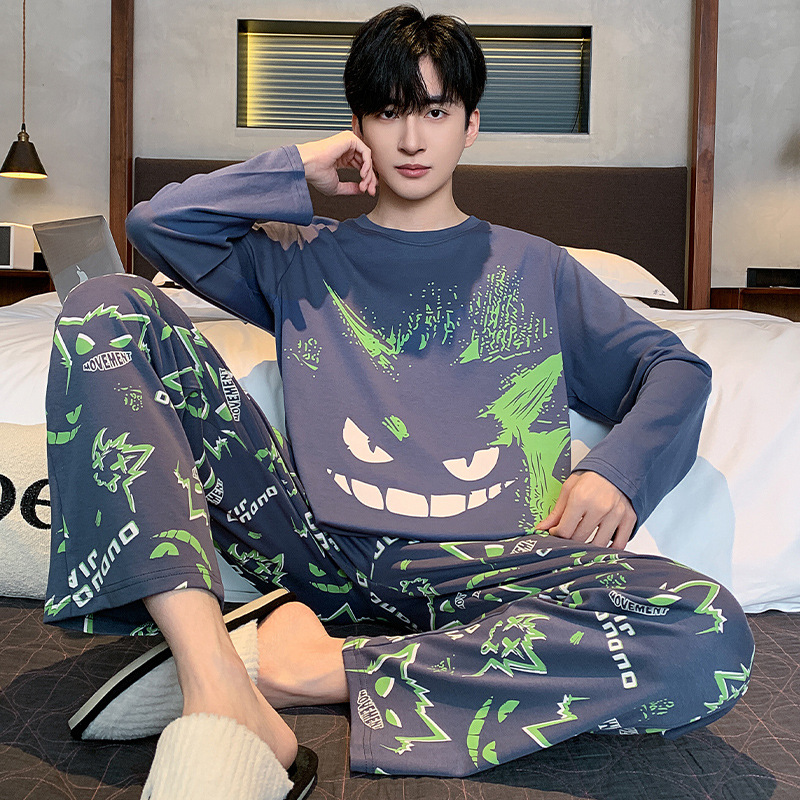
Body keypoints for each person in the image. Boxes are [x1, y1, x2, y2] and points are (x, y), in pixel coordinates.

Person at [44, 5, 754, 798]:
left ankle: (302, 667)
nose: (412, 139)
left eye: (436, 112)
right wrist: (299, 170)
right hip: (311, 544)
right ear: (358, 128)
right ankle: (212, 673)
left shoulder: (538, 269)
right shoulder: (302, 258)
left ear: (471, 125)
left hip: (491, 567)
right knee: (104, 309)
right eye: (388, 113)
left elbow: (674, 368)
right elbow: (155, 223)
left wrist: (617, 471)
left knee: (707, 631)